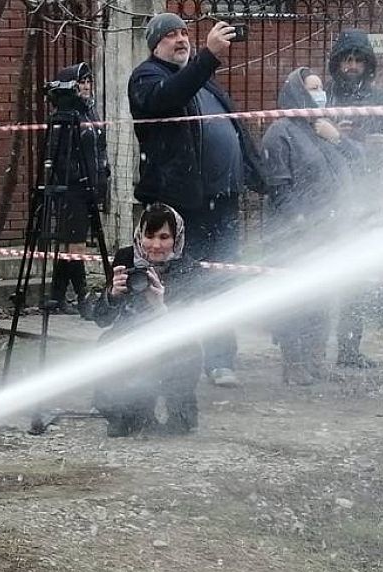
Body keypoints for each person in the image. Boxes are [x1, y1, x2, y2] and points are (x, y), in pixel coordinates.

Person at [128, 13, 266, 389]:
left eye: (184, 33)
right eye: (170, 34)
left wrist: (257, 173)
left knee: (222, 280)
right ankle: (170, 357)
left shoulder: (205, 80)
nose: (181, 39)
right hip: (183, 203)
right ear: (155, 44)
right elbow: (166, 99)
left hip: (222, 201)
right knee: (181, 282)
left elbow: (235, 127)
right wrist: (209, 55)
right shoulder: (148, 77)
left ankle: (221, 360)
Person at [260, 67, 361, 385]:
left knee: (323, 297)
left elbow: (359, 159)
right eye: (312, 88)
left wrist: (338, 137)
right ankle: (294, 362)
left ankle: (316, 359)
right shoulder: (281, 132)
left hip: (331, 231)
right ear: (297, 92)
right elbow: (278, 187)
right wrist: (300, 223)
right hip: (297, 235)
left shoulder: (323, 129)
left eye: (321, 88)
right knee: (295, 299)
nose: (320, 93)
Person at [92, 204, 203, 437]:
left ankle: (180, 413)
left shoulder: (188, 267)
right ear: (139, 235)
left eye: (164, 237)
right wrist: (112, 295)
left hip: (172, 340)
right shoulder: (126, 257)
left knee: (186, 350)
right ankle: (124, 413)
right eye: (149, 236)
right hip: (129, 335)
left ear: (177, 237)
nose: (156, 245)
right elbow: (101, 318)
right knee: (108, 342)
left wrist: (160, 306)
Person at [326, 30, 383, 368]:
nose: (352, 66)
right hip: (329, 197)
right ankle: (304, 348)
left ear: (368, 63)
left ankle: (350, 348)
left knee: (358, 279)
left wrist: (381, 143)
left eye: (358, 60)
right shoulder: (324, 99)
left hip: (370, 193)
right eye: (346, 59)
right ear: (337, 63)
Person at [45, 61, 109, 316]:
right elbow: (55, 154)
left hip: (91, 188)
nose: (85, 86)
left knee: (71, 245)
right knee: (76, 246)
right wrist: (75, 177)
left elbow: (99, 149)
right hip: (72, 190)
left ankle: (56, 296)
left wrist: (103, 178)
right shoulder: (65, 116)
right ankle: (83, 298)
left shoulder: (90, 113)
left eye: (88, 81)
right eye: (80, 82)